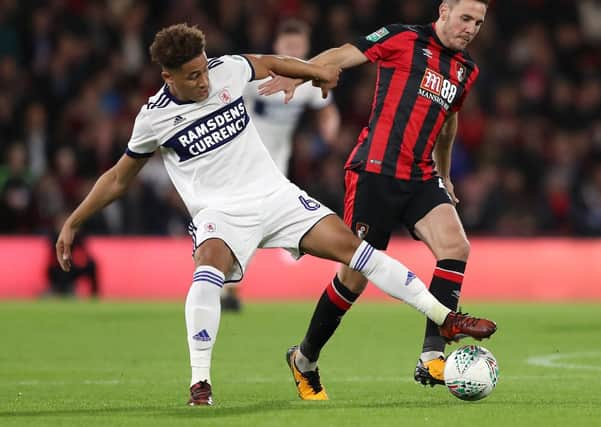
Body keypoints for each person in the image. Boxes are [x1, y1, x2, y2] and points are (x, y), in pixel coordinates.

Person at [55, 23, 496, 407]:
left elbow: (268, 61)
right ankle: (200, 383)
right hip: (221, 214)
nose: (205, 81)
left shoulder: (226, 68)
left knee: (356, 253)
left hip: (275, 197)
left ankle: (445, 318)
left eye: (205, 69)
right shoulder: (153, 120)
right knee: (206, 268)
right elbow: (118, 178)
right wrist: (74, 221)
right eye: (192, 77)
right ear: (167, 77)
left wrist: (315, 72)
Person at [260, 0, 491, 399]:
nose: (471, 28)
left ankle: (431, 357)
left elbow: (448, 121)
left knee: (456, 247)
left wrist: (446, 174)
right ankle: (304, 358)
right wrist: (300, 75)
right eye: (466, 18)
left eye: (479, 23)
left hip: (420, 175)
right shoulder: (403, 38)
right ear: (445, 11)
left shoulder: (465, 70)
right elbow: (344, 54)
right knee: (355, 276)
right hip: (375, 172)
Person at [215, 19, 341, 312]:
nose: (294, 51)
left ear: (306, 48)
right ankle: (230, 285)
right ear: (277, 47)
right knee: (245, 221)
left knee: (252, 223)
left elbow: (327, 110)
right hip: (242, 161)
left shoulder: (308, 80)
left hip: (276, 164)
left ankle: (230, 286)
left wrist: (330, 131)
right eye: (289, 46)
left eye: (299, 46)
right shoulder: (255, 74)